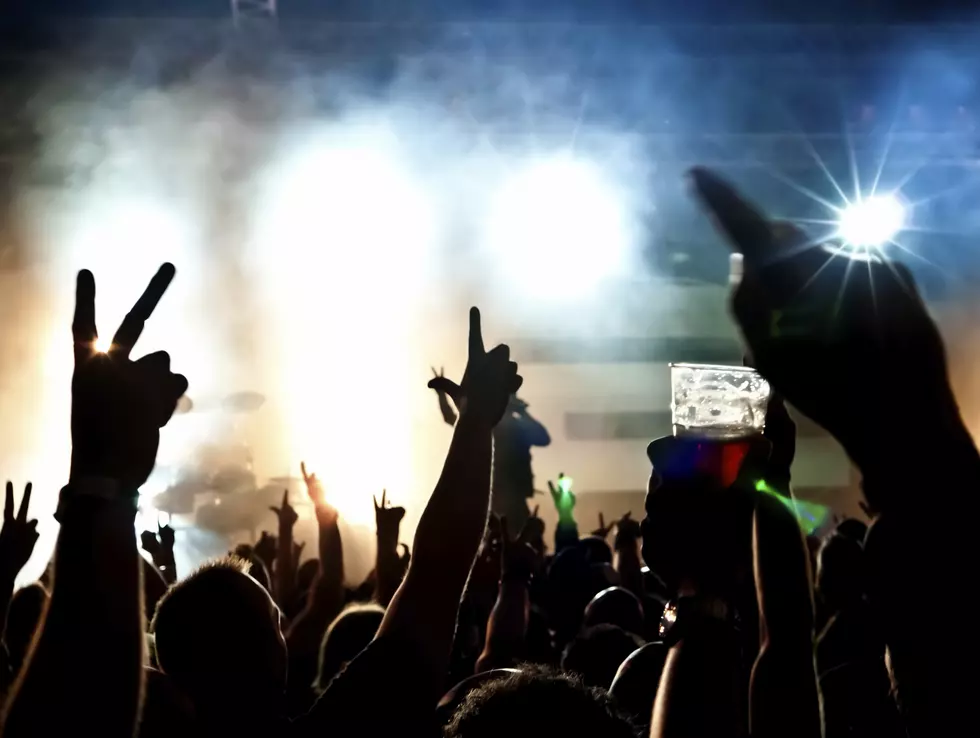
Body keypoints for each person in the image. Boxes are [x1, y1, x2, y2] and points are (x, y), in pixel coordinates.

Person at [433, 373, 549, 530]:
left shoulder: (516, 427)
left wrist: (522, 412)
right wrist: (442, 395)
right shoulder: (490, 425)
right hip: (493, 495)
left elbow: (543, 438)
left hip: (512, 497)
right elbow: (453, 419)